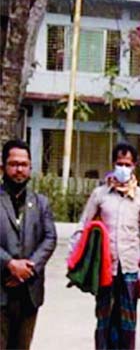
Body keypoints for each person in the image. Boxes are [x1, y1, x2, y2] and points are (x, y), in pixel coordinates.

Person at [79, 142, 140, 349]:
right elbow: (83, 226)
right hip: (105, 268)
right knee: (104, 320)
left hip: (130, 268)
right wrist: (75, 262)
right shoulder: (100, 194)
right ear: (113, 164)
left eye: (127, 164)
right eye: (120, 163)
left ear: (134, 166)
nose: (123, 168)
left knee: (127, 323)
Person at [0, 140, 57, 350]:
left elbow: (50, 238)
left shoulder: (40, 202)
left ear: (30, 168)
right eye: (13, 164)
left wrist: (28, 268)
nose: (19, 170)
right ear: (3, 167)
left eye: (24, 165)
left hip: (29, 293)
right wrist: (9, 264)